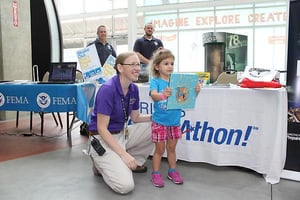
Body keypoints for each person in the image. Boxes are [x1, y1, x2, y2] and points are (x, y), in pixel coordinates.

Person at [88, 51, 153, 194]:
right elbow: (102, 128)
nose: (137, 68)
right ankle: (101, 163)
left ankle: (131, 161)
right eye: (132, 64)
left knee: (155, 127)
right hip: (102, 139)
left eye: (138, 64)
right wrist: (123, 154)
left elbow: (136, 118)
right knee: (125, 187)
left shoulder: (134, 89)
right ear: (120, 67)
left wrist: (156, 117)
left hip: (122, 134)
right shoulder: (107, 89)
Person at [149, 49, 201, 187]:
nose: (170, 66)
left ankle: (172, 171)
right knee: (159, 150)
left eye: (172, 63)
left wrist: (195, 92)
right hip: (159, 122)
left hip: (174, 122)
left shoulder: (178, 81)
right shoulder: (156, 81)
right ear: (157, 66)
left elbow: (185, 99)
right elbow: (153, 95)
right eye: (166, 63)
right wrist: (162, 94)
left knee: (171, 149)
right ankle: (155, 173)